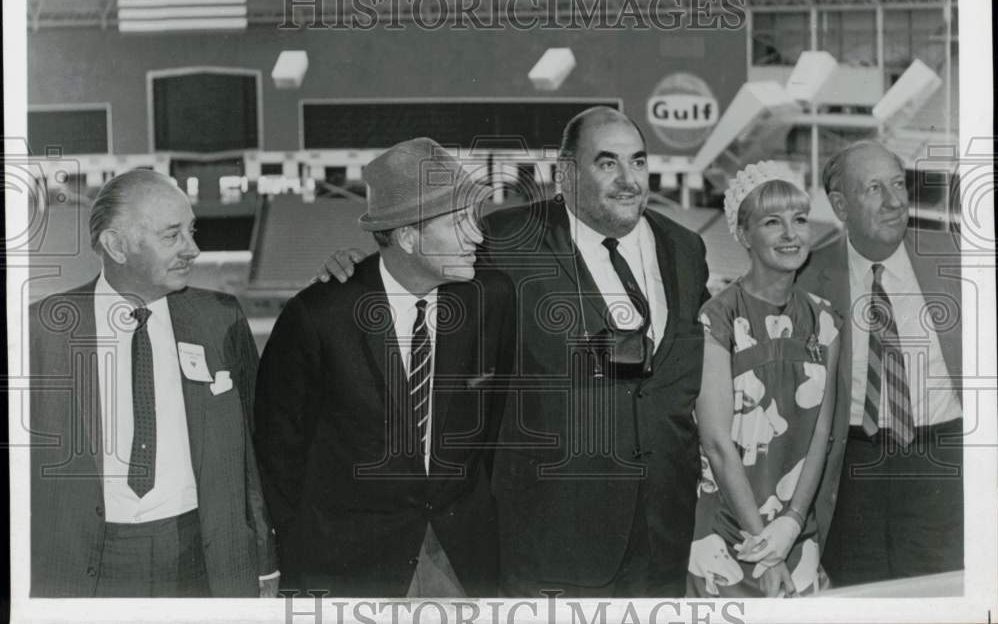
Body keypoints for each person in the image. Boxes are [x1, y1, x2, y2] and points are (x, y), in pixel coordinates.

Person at [320, 108, 710, 596]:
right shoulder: (504, 239)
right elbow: (419, 271)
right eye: (607, 163)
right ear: (566, 174)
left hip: (662, 538)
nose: (628, 179)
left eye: (638, 161)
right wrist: (358, 273)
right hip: (551, 543)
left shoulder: (685, 248)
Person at [254, 137, 514, 597]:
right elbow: (279, 457)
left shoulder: (489, 298)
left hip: (462, 558)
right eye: (457, 223)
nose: (476, 234)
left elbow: (497, 427)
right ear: (408, 236)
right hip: (351, 567)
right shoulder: (318, 316)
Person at [28, 169, 278, 597]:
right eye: (172, 235)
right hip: (86, 562)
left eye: (191, 231)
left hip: (203, 556)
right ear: (116, 245)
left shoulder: (220, 319)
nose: (193, 249)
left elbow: (252, 455)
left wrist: (265, 560)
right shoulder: (42, 328)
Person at [798, 140, 964, 585]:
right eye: (874, 189)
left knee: (942, 589)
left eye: (897, 184)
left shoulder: (954, 255)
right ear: (840, 205)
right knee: (859, 590)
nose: (894, 201)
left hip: (942, 460)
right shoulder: (809, 276)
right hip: (854, 465)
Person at [686, 162, 840, 598]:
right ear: (743, 233)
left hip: (795, 529)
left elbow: (821, 434)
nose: (791, 234)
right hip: (729, 530)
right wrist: (765, 547)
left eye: (799, 219)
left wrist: (790, 525)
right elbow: (716, 443)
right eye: (773, 222)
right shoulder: (716, 318)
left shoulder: (826, 319)